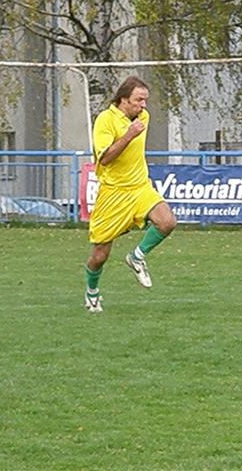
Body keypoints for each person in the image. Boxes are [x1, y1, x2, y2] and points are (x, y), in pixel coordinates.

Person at [83, 76, 177, 313]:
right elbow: (105, 158)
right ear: (124, 99)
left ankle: (136, 256)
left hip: (140, 187)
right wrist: (128, 135)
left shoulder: (143, 117)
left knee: (167, 221)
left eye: (145, 100)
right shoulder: (105, 120)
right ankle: (92, 293)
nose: (143, 105)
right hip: (113, 193)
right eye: (139, 100)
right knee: (99, 255)